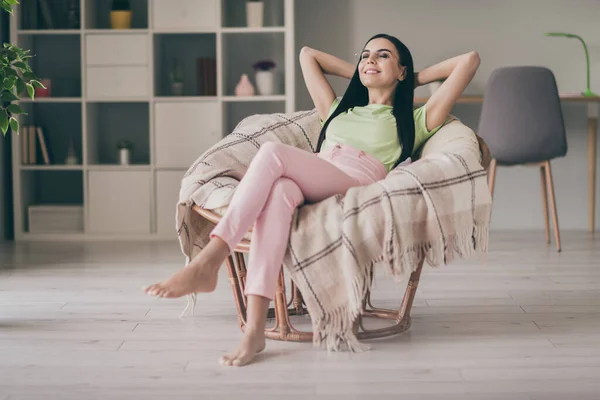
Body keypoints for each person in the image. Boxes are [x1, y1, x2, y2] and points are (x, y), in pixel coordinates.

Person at [143, 33, 481, 367]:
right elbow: (307, 54)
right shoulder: (337, 110)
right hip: (314, 174)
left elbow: (469, 61)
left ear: (402, 70)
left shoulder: (415, 118)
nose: (369, 60)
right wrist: (365, 75)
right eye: (365, 55)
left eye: (382, 55)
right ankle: (256, 331)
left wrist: (411, 80)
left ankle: (209, 261)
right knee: (277, 194)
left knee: (273, 153)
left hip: (354, 182)